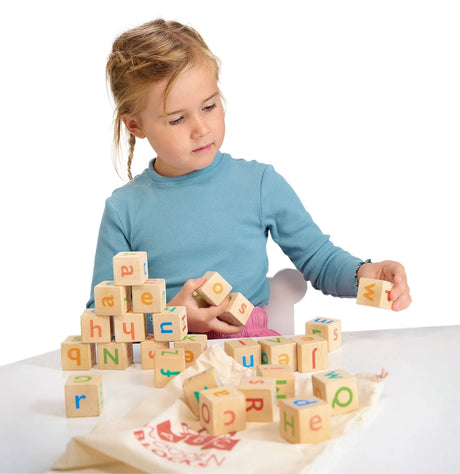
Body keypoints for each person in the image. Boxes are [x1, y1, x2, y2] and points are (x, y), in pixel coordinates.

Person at [87, 19, 411, 338]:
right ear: (135, 126)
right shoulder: (124, 209)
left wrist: (364, 274)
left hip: (252, 354)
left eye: (209, 106)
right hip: (163, 360)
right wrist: (170, 317)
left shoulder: (259, 184)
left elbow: (319, 260)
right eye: (176, 119)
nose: (200, 129)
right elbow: (100, 316)